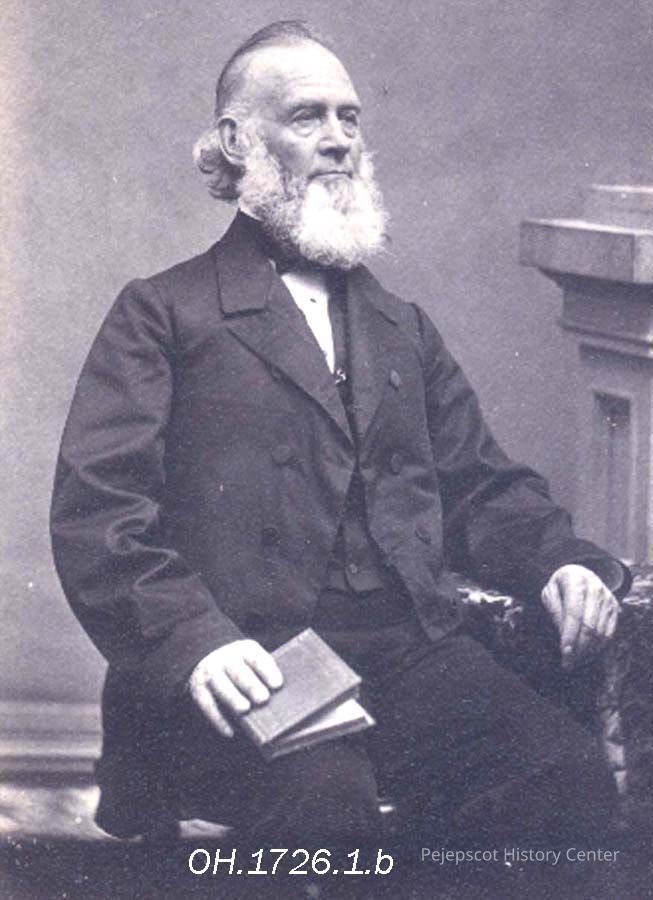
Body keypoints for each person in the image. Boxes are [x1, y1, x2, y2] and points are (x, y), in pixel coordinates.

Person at [50, 21, 629, 851]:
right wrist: (195, 643)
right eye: (306, 116)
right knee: (325, 807)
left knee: (560, 772)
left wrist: (559, 560)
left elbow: (478, 485)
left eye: (349, 117)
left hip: (404, 653)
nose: (338, 139)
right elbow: (100, 516)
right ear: (237, 142)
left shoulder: (399, 327)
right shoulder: (162, 313)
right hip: (246, 658)